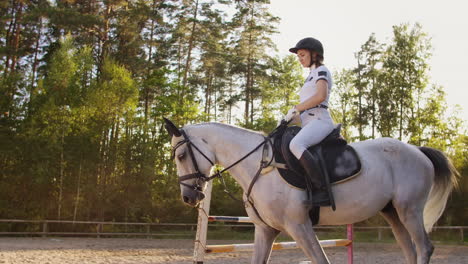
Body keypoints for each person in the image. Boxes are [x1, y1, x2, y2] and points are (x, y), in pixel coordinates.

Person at [284, 37, 335, 207]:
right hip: (308, 121)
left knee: (296, 145)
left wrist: (296, 108)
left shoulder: (321, 71)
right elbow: (305, 109)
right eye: (298, 56)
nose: (300, 59)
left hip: (320, 120)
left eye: (302, 55)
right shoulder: (310, 76)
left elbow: (320, 96)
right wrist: (289, 119)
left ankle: (322, 190)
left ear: (314, 54)